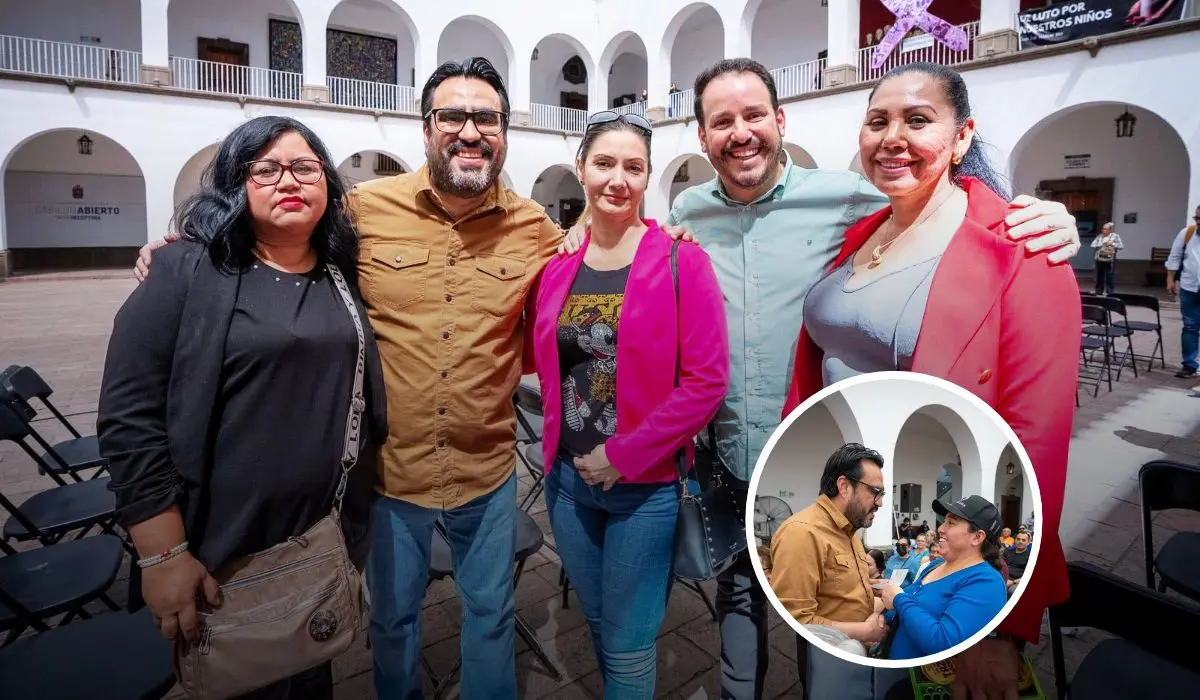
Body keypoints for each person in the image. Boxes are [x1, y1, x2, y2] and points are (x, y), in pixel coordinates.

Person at [558, 57, 1078, 700]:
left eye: (754, 116)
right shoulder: (686, 212)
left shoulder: (854, 199)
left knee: (831, 616)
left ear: (780, 121)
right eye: (722, 121)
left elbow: (947, 211)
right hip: (725, 453)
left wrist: (1045, 222)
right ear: (702, 137)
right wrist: (581, 229)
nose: (740, 132)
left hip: (817, 460)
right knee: (739, 594)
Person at [135, 58, 564, 700]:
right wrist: (183, 245)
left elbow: (599, 269)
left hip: (488, 472)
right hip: (389, 475)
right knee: (390, 621)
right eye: (453, 115)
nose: (470, 131)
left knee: (492, 616)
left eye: (487, 118)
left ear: (506, 132)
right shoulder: (363, 209)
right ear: (426, 129)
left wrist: (659, 239)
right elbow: (275, 239)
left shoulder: (536, 230)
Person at [783, 61, 1078, 698]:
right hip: (849, 519)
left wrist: (996, 626)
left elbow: (1035, 449)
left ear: (962, 136)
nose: (893, 137)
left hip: (937, 534)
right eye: (878, 121)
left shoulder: (1023, 250)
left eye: (919, 120)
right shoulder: (864, 233)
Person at [97, 116, 389, 699]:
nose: (289, 180)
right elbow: (130, 419)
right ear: (236, 184)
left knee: (311, 676)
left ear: (327, 184)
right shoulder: (185, 270)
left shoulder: (341, 272)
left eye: (305, 167)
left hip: (321, 538)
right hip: (223, 550)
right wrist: (163, 555)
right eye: (267, 169)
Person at [529, 110, 729, 699]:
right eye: (605, 164)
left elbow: (707, 381)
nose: (618, 179)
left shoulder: (679, 259)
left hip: (644, 488)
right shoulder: (559, 265)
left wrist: (623, 454)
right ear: (581, 170)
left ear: (647, 178)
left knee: (628, 646)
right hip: (567, 485)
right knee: (598, 624)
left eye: (634, 167)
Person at [768, 443, 890, 646]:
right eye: (875, 492)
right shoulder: (803, 533)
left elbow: (835, 588)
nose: (880, 503)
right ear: (844, 487)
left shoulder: (849, 531)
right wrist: (864, 631)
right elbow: (795, 620)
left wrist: (873, 588)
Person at [876, 496, 1008, 660]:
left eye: (951, 523)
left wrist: (898, 599)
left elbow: (943, 642)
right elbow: (909, 605)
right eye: (944, 521)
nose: (940, 529)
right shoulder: (936, 564)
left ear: (977, 537)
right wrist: (882, 616)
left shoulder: (986, 583)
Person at [1165, 205, 1200, 378]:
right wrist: (1170, 278)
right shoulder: (1187, 234)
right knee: (1190, 326)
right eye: (1197, 218)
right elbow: (1175, 256)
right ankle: (1189, 365)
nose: (1199, 222)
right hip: (1189, 287)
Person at [1091, 221, 1123, 295]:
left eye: (1105, 229)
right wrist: (1102, 243)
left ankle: (1110, 292)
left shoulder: (1115, 236)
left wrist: (1112, 243)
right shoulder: (1099, 236)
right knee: (1099, 276)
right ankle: (1098, 291)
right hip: (1099, 258)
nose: (1103, 230)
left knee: (1109, 276)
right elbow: (1093, 244)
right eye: (1103, 229)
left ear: (1110, 230)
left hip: (1110, 259)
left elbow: (1121, 246)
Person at [1004, 529, 1033, 593]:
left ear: (1028, 542)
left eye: (1023, 540)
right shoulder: (1008, 551)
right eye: (1018, 539)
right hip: (1004, 577)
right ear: (1015, 540)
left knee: (1011, 591)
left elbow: (1029, 576)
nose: (1020, 541)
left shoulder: (1030, 557)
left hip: (1017, 581)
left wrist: (1013, 582)